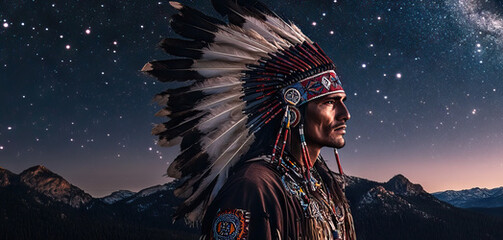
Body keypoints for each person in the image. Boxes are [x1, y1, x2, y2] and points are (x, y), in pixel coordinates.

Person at [142, 0, 356, 239]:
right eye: (329, 102)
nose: (345, 114)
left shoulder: (320, 180)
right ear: (292, 112)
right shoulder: (252, 187)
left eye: (342, 101)